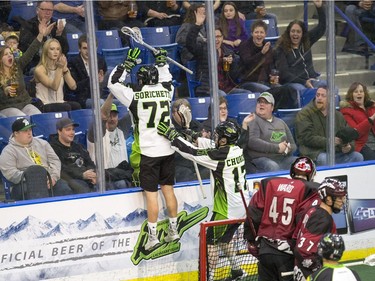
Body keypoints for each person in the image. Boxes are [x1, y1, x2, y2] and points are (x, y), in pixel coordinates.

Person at [157, 120, 250, 281]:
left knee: (209, 243)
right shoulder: (237, 150)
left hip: (225, 210)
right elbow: (210, 145)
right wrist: (192, 134)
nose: (216, 137)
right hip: (241, 208)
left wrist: (173, 136)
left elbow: (191, 152)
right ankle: (237, 271)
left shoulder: (219, 156)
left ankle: (210, 277)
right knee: (224, 240)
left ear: (224, 140)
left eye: (218, 135)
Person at [107, 47, 180, 250]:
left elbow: (112, 83)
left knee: (152, 195)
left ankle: (153, 237)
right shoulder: (167, 91)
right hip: (168, 149)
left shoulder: (134, 96)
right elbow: (167, 78)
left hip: (149, 151)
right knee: (169, 191)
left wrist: (125, 64)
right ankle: (174, 232)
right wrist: (162, 63)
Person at [243, 156, 320, 281]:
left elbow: (254, 213)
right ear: (311, 174)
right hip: (287, 254)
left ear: (292, 171)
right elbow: (304, 222)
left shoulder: (269, 183)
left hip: (265, 251)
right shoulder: (310, 190)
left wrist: (251, 239)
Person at [0, 117, 73, 200]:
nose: (29, 133)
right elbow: (10, 173)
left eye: (30, 130)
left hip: (48, 178)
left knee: (64, 188)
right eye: (25, 131)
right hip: (25, 182)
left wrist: (53, 177)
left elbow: (55, 161)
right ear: (16, 133)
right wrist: (33, 178)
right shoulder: (8, 151)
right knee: (26, 192)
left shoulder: (43, 143)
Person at [186, 11, 252, 96]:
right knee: (222, 96)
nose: (216, 40)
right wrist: (197, 25)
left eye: (218, 37)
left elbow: (234, 76)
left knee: (246, 94)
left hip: (226, 88)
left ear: (222, 38)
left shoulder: (227, 52)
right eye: (213, 37)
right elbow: (189, 44)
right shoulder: (203, 49)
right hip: (208, 89)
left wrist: (233, 63)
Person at [293, 178, 347, 281]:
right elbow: (302, 249)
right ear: (328, 199)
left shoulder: (312, 210)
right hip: (309, 274)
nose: (342, 201)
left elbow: (295, 238)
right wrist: (319, 271)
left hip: (301, 271)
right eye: (339, 198)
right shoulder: (323, 219)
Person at [295, 86, 364, 166]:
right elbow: (306, 137)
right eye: (318, 95)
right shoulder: (305, 113)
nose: (319, 98)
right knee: (326, 159)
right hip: (314, 153)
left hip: (336, 152)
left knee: (357, 157)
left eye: (323, 96)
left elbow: (348, 134)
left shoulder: (337, 115)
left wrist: (349, 147)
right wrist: (329, 141)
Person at [238, 19, 299, 109]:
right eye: (256, 32)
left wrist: (274, 76)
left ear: (265, 34)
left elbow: (272, 66)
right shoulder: (245, 46)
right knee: (270, 92)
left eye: (261, 32)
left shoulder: (268, 48)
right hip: (249, 82)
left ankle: (289, 114)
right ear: (252, 33)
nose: (259, 35)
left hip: (266, 82)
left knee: (290, 90)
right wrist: (261, 53)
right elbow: (248, 63)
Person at [274, 0, 326, 95]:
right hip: (294, 83)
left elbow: (321, 28)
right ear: (288, 33)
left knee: (327, 86)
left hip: (312, 79)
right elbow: (284, 74)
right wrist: (304, 82)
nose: (295, 34)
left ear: (302, 34)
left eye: (298, 32)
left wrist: (319, 8)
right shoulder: (281, 48)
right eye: (293, 31)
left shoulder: (306, 41)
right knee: (301, 90)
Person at [0, 23, 51, 117]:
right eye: (6, 54)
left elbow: (30, 52)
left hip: (24, 104)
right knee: (22, 118)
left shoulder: (17, 64)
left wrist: (40, 35)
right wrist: (5, 91)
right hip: (6, 107)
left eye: (10, 53)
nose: (9, 56)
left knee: (38, 116)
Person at [87, 93, 134, 189]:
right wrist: (112, 95)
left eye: (114, 115)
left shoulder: (121, 130)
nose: (112, 119)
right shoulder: (96, 134)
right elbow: (102, 116)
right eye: (109, 115)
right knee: (121, 184)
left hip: (121, 174)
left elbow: (134, 109)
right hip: (103, 178)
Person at [244, 92, 298, 172]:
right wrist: (277, 148)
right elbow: (252, 141)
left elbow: (293, 145)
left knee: (299, 162)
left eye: (265, 102)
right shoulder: (253, 120)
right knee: (272, 166)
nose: (261, 104)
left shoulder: (281, 122)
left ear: (272, 107)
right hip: (261, 159)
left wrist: (288, 148)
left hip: (282, 159)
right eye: (259, 102)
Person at [19, 0, 69, 74]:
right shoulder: (28, 25)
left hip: (55, 64)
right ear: (37, 10)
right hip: (35, 63)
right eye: (44, 10)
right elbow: (24, 47)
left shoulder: (57, 25)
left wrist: (59, 35)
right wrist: (42, 35)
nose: (48, 13)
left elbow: (65, 50)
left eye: (50, 10)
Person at [49, 117, 97, 194]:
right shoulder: (52, 148)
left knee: (108, 183)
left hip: (86, 177)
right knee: (82, 188)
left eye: (73, 129)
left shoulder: (79, 147)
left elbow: (90, 163)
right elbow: (61, 169)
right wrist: (82, 175)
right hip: (70, 179)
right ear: (59, 131)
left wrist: (92, 174)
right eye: (68, 130)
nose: (72, 133)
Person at [34, 38, 81, 112]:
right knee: (66, 107)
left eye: (58, 49)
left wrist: (65, 69)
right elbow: (54, 86)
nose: (55, 52)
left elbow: (73, 86)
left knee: (76, 106)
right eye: (52, 49)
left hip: (60, 102)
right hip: (45, 104)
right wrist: (60, 68)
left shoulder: (61, 66)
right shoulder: (40, 69)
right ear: (46, 51)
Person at [171, 98, 210, 182]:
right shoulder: (171, 128)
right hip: (180, 164)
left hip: (198, 162)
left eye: (187, 111)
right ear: (174, 114)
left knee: (209, 171)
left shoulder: (196, 125)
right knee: (185, 174)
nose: (185, 114)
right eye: (181, 112)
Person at [68, 34, 107, 108]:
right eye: (85, 48)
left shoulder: (100, 60)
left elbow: (103, 83)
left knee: (120, 102)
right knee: (101, 103)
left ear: (96, 48)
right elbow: (75, 88)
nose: (88, 51)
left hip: (100, 96)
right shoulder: (73, 63)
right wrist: (92, 79)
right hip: (82, 98)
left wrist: (101, 81)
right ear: (79, 49)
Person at [340, 82, 375, 161]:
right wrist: (371, 119)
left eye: (361, 91)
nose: (359, 93)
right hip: (361, 144)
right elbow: (354, 132)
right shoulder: (346, 111)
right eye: (356, 92)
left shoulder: (371, 107)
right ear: (351, 95)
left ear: (364, 94)